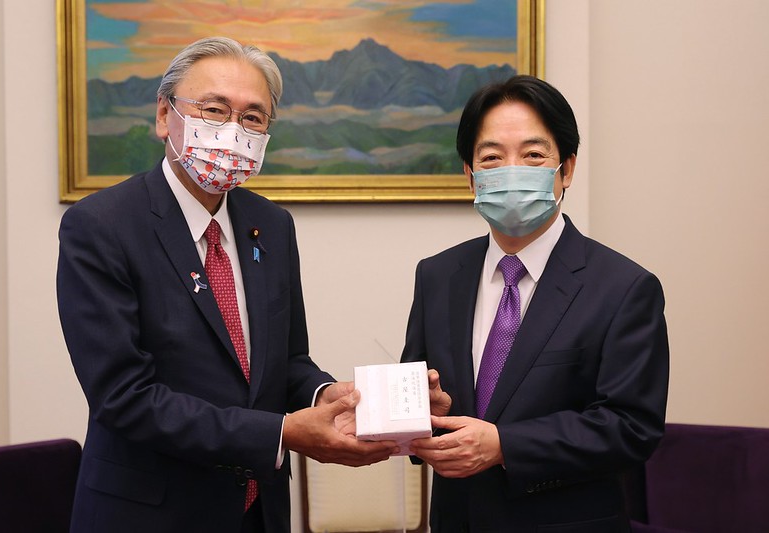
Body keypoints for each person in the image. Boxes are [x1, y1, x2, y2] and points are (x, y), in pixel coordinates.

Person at [57, 37, 399, 532]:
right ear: (164, 115)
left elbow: (286, 361)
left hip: (258, 512)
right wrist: (281, 432)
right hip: (150, 514)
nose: (233, 131)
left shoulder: (272, 225)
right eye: (214, 110)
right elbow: (123, 397)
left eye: (253, 118)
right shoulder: (101, 225)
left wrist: (325, 396)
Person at [402, 75, 670, 532]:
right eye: (491, 157)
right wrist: (427, 415)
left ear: (566, 169)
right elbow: (416, 400)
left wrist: (505, 444)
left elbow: (631, 427)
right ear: (470, 175)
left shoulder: (625, 287)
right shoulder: (438, 275)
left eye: (532, 155)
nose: (511, 170)